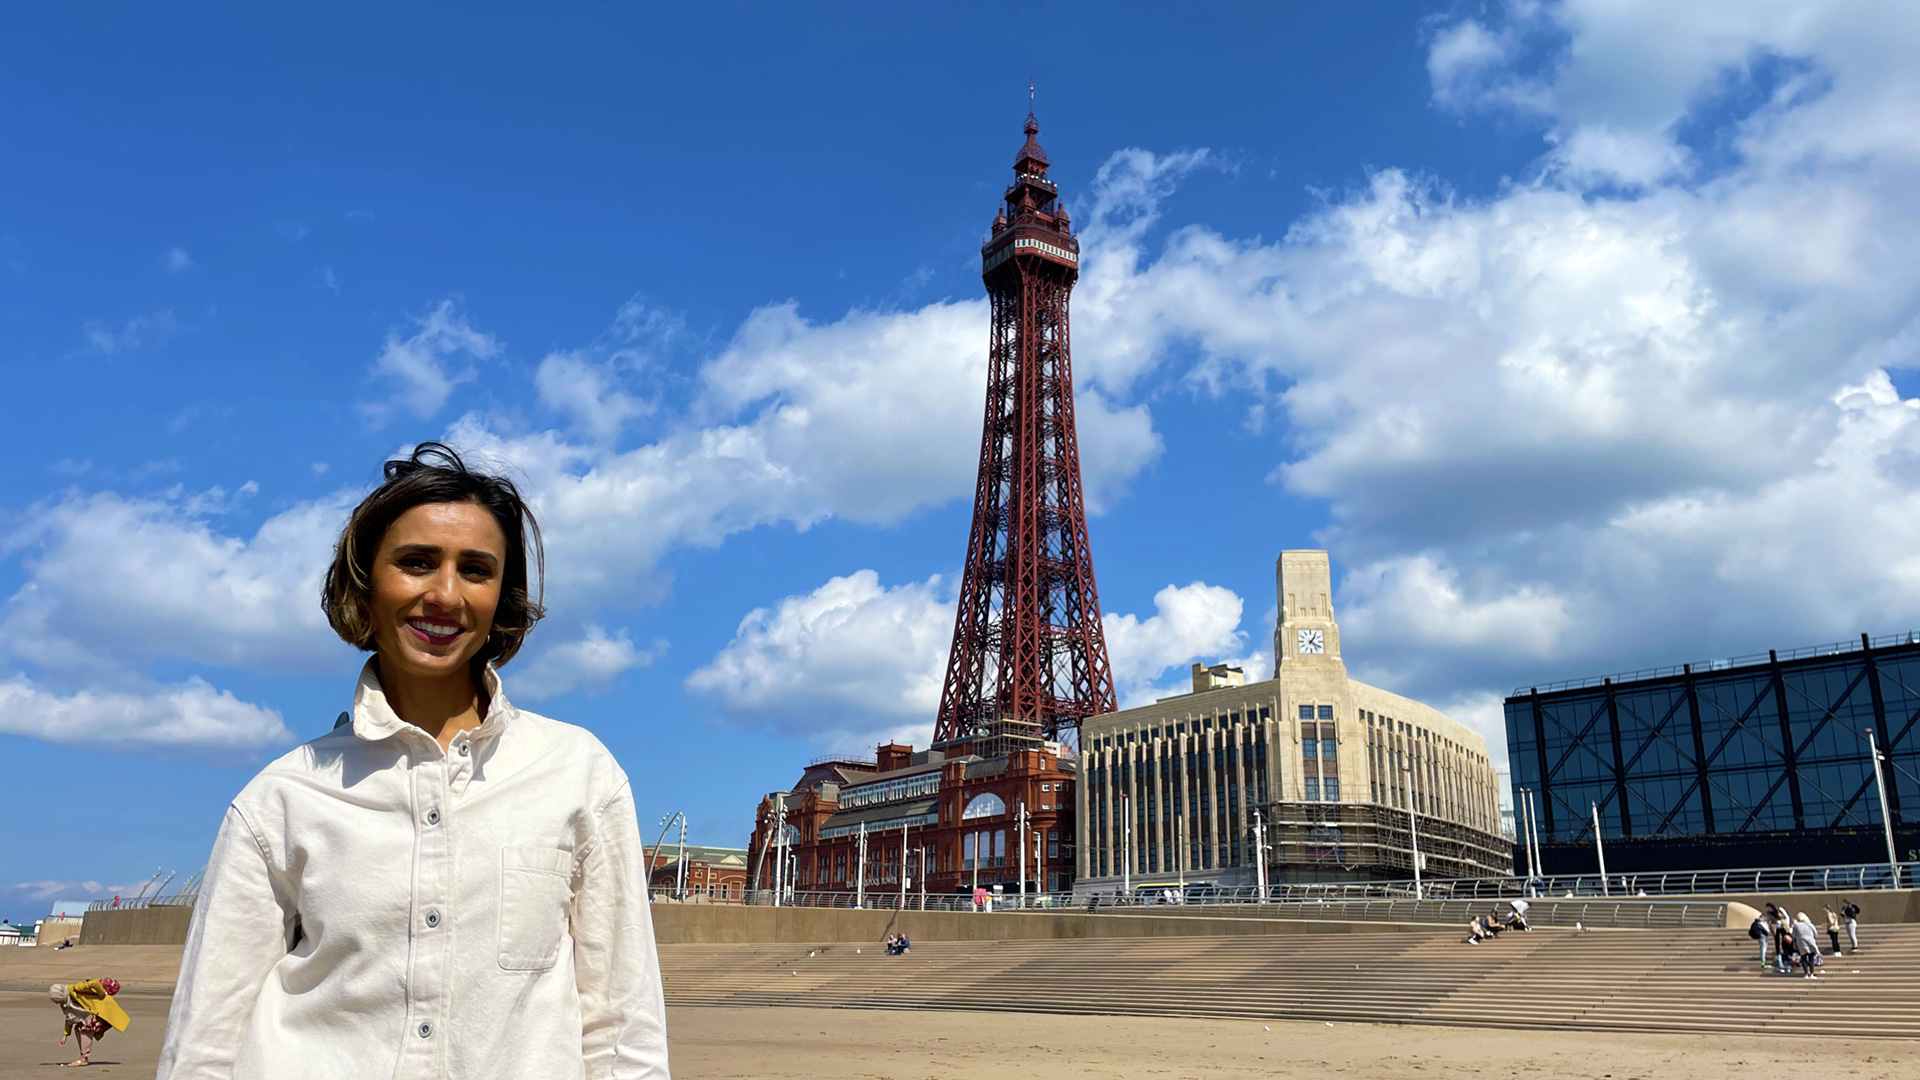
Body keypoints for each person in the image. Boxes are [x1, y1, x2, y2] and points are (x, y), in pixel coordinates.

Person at [156, 444, 670, 1079]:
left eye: (475, 570)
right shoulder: (282, 797)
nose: (445, 595)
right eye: (417, 563)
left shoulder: (579, 774)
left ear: (501, 598)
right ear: (365, 584)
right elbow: (206, 1036)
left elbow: (621, 1022)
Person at [51, 978, 129, 1067]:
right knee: (79, 1029)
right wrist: (65, 1035)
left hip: (98, 1014)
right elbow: (70, 1017)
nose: (57, 1003)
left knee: (83, 1029)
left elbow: (95, 983)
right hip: (91, 1015)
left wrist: (101, 993)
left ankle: (84, 1058)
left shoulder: (77, 988)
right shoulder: (69, 1000)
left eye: (57, 1000)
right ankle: (83, 1057)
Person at [1791, 912, 1822, 979]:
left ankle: (1806, 974)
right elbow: (1815, 934)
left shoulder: (1796, 926)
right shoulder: (1810, 925)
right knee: (1811, 958)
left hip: (1801, 942)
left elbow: (1794, 935)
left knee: (1803, 958)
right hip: (1811, 942)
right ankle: (1812, 973)